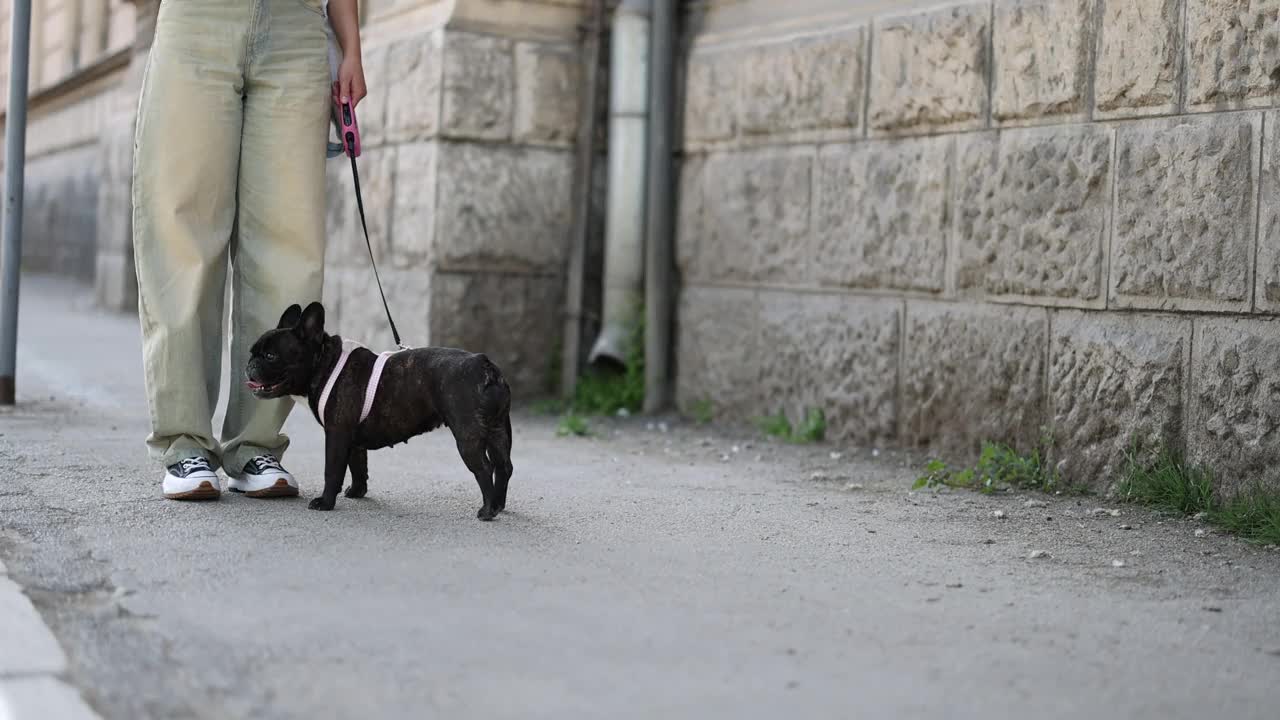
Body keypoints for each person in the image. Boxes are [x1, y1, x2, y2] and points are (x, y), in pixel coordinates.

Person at [132, 0, 366, 500]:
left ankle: (255, 443)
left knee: (289, 245)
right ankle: (184, 443)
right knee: (183, 235)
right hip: (198, 23)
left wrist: (351, 48)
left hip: (296, 29)